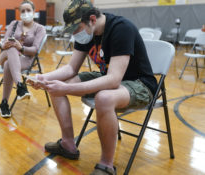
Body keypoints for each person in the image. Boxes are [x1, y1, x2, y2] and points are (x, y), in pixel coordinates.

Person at [28, 0, 158, 174]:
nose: (75, 34)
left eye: (76, 29)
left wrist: (65, 89)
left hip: (140, 83)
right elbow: (71, 68)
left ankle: (106, 165)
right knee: (54, 86)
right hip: (110, 78)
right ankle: (68, 144)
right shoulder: (87, 32)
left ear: (92, 19)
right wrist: (43, 78)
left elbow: (113, 80)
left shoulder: (121, 28)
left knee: (103, 98)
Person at [0, 0, 46, 118]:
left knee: (8, 65)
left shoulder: (40, 28)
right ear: (19, 13)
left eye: (28, 10)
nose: (26, 13)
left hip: (26, 59)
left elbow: (35, 50)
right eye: (23, 11)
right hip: (6, 54)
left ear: (34, 12)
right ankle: (20, 85)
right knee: (11, 45)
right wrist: (4, 45)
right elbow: (4, 42)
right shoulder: (14, 23)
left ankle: (4, 103)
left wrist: (22, 48)